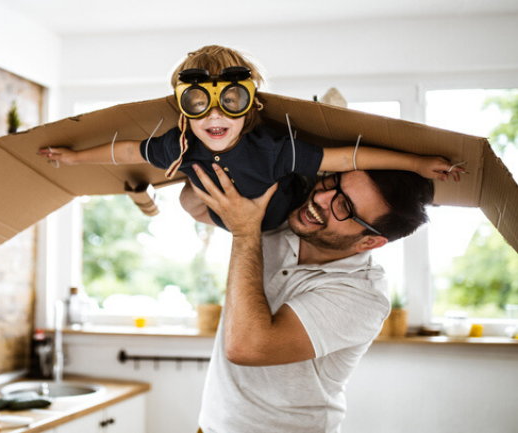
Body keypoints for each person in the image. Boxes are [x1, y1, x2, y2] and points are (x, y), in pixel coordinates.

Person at [38, 45, 462, 232]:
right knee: (187, 199)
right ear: (185, 105)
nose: (216, 115)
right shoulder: (182, 143)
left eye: (232, 99)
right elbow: (128, 149)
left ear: (251, 106)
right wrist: (75, 158)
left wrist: (416, 163)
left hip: (278, 219)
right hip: (221, 218)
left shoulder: (274, 149)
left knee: (310, 175)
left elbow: (347, 158)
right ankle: (160, 202)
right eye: (200, 101)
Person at [185, 162, 436, 432]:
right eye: (333, 182)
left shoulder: (363, 296)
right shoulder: (283, 220)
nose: (320, 198)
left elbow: (246, 347)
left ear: (369, 241)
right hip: (212, 425)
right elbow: (194, 204)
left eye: (344, 207)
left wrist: (245, 231)